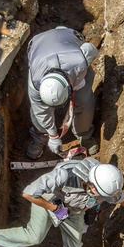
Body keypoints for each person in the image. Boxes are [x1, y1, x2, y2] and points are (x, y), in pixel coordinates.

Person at [26, 26, 98, 160]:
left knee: (83, 100)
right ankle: (40, 137)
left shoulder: (79, 63)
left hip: (68, 37)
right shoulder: (35, 83)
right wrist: (53, 136)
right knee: (37, 109)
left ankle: (83, 134)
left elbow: (91, 49)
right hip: (38, 44)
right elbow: (41, 111)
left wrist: (78, 83)